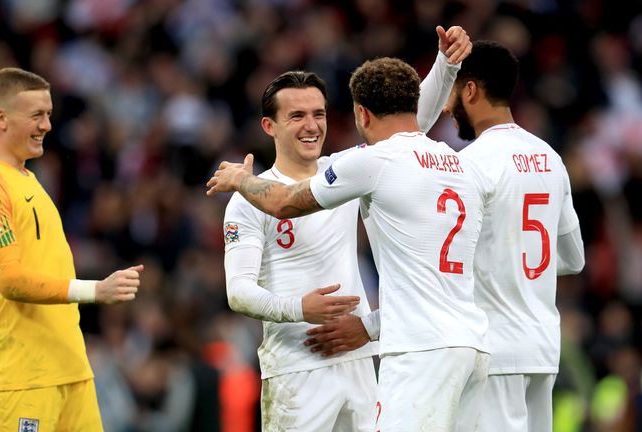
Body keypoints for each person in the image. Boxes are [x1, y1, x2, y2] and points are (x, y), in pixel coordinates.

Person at [209, 56, 489, 430]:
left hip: (358, 359)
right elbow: (238, 292)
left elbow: (406, 126)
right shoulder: (248, 202)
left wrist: (445, 65)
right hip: (297, 367)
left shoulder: (344, 171)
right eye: (297, 116)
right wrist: (298, 308)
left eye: (319, 114)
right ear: (268, 125)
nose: (311, 126)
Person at [0, 67, 144, 431]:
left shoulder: (28, 177)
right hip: (24, 375)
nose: (47, 126)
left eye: (49, 115)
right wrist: (95, 290)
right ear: (1, 117)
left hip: (70, 367)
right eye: (37, 115)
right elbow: (9, 279)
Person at [444, 40, 585, 431]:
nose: (446, 106)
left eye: (451, 91)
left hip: (494, 350)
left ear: (469, 90)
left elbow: (448, 265)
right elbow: (573, 259)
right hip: (542, 346)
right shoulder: (549, 158)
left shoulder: (468, 165)